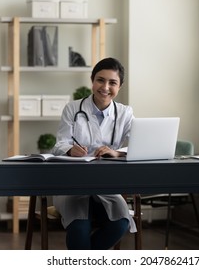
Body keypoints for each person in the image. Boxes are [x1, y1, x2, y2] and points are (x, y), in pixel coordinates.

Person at [51, 57, 137, 250]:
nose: (105, 87)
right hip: (73, 184)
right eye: (100, 80)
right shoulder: (73, 108)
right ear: (92, 80)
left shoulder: (125, 113)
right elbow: (59, 144)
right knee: (79, 228)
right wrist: (69, 149)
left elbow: (137, 146)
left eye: (112, 82)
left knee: (120, 223)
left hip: (106, 184)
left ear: (120, 86)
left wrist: (116, 153)